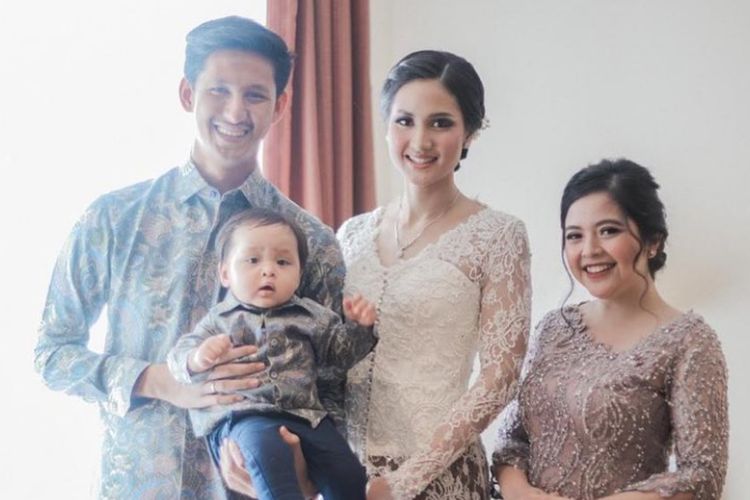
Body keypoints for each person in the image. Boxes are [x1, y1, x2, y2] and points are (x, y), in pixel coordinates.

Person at [34, 16, 346, 499]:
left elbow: (335, 386)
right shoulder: (112, 219)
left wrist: (303, 470)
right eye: (219, 90)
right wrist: (158, 380)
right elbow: (52, 353)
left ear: (280, 105)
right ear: (187, 94)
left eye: (255, 95)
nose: (236, 111)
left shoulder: (313, 243)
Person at [336, 50, 532, 499]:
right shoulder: (350, 235)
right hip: (345, 474)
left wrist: (404, 482)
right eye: (405, 121)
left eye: (441, 123)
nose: (421, 140)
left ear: (470, 133)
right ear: (387, 127)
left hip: (439, 478)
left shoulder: (498, 235)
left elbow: (500, 377)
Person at [493, 159, 728, 500]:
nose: (589, 250)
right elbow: (513, 440)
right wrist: (522, 493)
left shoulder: (689, 340)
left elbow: (702, 475)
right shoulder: (554, 327)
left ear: (653, 241)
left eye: (608, 231)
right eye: (575, 236)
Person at [167, 208, 376, 500]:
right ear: (225, 273)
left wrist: (359, 328)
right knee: (268, 456)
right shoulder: (219, 320)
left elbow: (339, 357)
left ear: (299, 274)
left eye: (282, 262)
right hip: (247, 416)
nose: (268, 270)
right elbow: (178, 355)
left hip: (308, 416)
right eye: (253, 260)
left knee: (348, 471)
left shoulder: (313, 316)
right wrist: (196, 358)